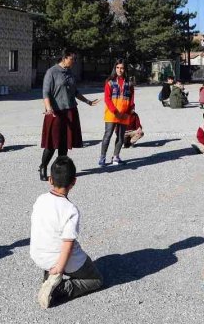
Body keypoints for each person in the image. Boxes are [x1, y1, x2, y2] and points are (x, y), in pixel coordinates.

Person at [31, 156, 103, 309]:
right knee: (96, 279)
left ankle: (49, 275)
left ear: (50, 180)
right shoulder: (70, 210)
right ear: (74, 182)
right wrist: (60, 267)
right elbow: (68, 244)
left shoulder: (40, 199)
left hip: (39, 256)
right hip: (59, 260)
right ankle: (59, 289)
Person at [39, 49, 99, 181]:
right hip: (55, 113)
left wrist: (87, 101)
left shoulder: (70, 72)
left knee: (64, 144)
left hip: (70, 111)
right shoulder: (51, 72)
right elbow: (45, 92)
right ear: (64, 58)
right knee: (52, 143)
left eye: (75, 59)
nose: (74, 61)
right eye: (72, 59)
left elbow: (75, 91)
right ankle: (43, 167)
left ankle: (60, 171)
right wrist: (49, 108)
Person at [99, 59, 134, 166]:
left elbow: (131, 99)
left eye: (122, 68)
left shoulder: (129, 83)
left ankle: (116, 157)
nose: (119, 70)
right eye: (117, 67)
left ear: (125, 69)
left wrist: (129, 111)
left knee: (120, 136)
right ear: (115, 68)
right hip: (112, 113)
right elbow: (107, 98)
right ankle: (102, 157)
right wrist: (115, 111)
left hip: (124, 113)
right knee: (108, 135)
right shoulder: (110, 82)